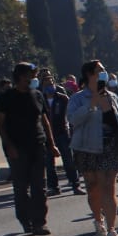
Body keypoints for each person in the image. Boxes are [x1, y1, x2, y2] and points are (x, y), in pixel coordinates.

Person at [67, 59, 118, 236]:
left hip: (111, 146)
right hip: (87, 148)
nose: (104, 73)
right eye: (100, 70)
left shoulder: (112, 97)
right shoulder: (78, 98)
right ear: (90, 74)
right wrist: (91, 105)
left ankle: (112, 230)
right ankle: (98, 219)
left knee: (108, 186)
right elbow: (73, 120)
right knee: (93, 187)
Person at [0, 62, 56, 236]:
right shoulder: (6, 97)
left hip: (38, 145)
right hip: (17, 148)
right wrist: (9, 146)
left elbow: (45, 121)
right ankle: (25, 220)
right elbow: (0, 124)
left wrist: (51, 143)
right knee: (21, 187)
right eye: (30, 75)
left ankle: (39, 222)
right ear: (20, 76)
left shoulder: (38, 95)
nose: (33, 78)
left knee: (39, 187)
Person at [37, 67, 73, 196]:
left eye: (50, 81)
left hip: (62, 131)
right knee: (49, 163)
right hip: (47, 134)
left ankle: (74, 183)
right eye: (45, 80)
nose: (49, 84)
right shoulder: (38, 96)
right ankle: (53, 186)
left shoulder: (61, 95)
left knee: (68, 159)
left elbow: (70, 113)